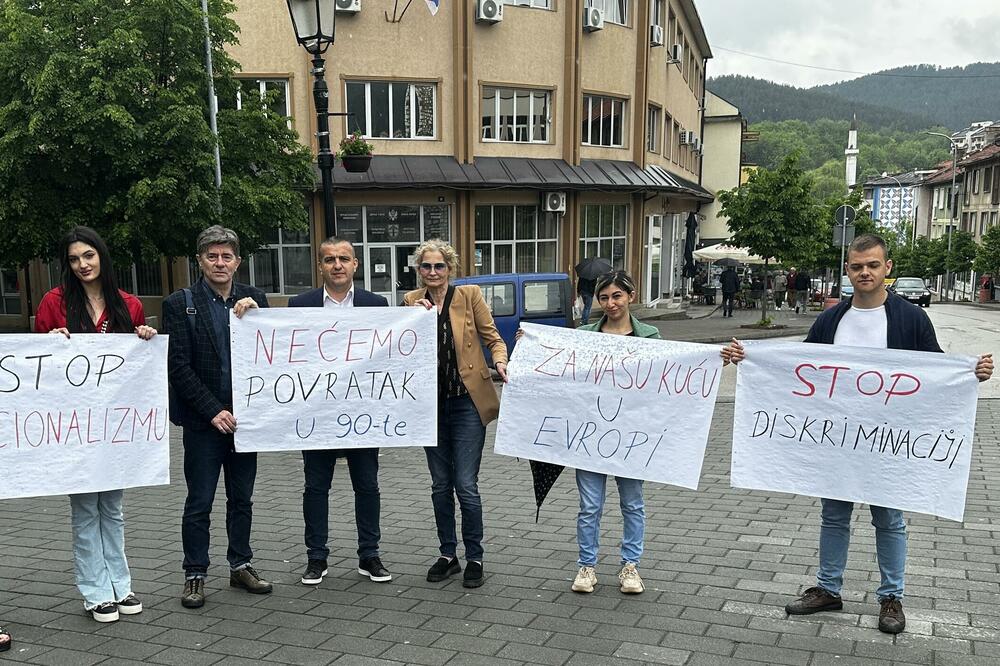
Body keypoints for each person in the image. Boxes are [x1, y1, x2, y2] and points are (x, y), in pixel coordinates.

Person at [722, 234, 994, 635]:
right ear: (846, 271)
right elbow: (800, 366)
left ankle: (891, 597)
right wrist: (750, 357)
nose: (863, 272)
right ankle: (829, 589)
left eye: (871, 265)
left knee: (890, 519)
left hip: (890, 443)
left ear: (888, 269)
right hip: (840, 442)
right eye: (855, 266)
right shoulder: (831, 319)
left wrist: (971, 373)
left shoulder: (910, 319)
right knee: (833, 514)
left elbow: (937, 372)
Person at [34, 225, 156, 623]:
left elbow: (134, 368)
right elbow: (37, 366)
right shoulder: (53, 302)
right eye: (73, 259)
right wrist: (51, 343)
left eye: (88, 255)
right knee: (86, 508)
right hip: (73, 426)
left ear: (101, 255)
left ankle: (121, 584)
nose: (82, 264)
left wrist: (145, 338)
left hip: (112, 425)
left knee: (113, 508)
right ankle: (95, 591)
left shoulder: (128, 304)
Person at [163, 225, 272, 609]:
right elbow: (178, 366)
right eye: (213, 256)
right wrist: (213, 411)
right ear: (200, 261)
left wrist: (260, 316)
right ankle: (195, 574)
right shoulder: (181, 303)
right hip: (204, 424)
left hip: (245, 422)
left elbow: (270, 353)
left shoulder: (254, 298)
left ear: (238, 262)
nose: (220, 263)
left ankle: (241, 564)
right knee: (200, 501)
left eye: (227, 256)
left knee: (242, 499)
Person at [404, 239, 509, 589]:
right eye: (426, 266)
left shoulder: (469, 296)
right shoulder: (410, 302)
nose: (433, 272)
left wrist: (501, 361)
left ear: (450, 269)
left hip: (466, 403)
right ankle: (448, 554)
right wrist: (415, 320)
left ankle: (475, 556)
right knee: (439, 485)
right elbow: (398, 349)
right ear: (418, 270)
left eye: (439, 266)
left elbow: (493, 338)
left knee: (465, 484)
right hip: (429, 406)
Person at [289, 237, 392, 586]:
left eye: (344, 259)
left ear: (355, 264)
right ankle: (316, 557)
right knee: (316, 487)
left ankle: (370, 555)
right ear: (320, 265)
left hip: (363, 412)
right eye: (330, 259)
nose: (337, 265)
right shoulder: (298, 305)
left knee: (367, 486)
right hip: (317, 413)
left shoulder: (376, 305)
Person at [570, 270, 660, 596]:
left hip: (632, 437)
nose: (610, 303)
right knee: (589, 506)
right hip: (591, 435)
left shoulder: (650, 337)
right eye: (604, 297)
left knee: (632, 503)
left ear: (630, 296)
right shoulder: (584, 335)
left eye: (616, 296)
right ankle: (587, 566)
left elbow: (675, 377)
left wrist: (713, 361)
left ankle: (630, 566)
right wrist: (530, 347)